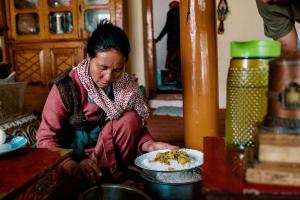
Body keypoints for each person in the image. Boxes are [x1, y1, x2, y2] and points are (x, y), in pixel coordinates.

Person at [36, 20, 178, 199]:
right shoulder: (66, 87)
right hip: (72, 158)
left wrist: (149, 144)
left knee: (131, 118)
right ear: (89, 57)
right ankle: (103, 177)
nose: (109, 77)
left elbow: (134, 129)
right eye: (102, 68)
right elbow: (45, 139)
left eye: (118, 69)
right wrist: (72, 166)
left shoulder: (124, 85)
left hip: (107, 155)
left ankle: (109, 175)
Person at [155, 0, 181, 88]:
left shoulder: (170, 12)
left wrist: (158, 39)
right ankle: (179, 81)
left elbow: (166, 27)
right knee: (179, 62)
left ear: (171, 7)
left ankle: (178, 82)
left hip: (172, 44)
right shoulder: (182, 12)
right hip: (181, 44)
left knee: (172, 63)